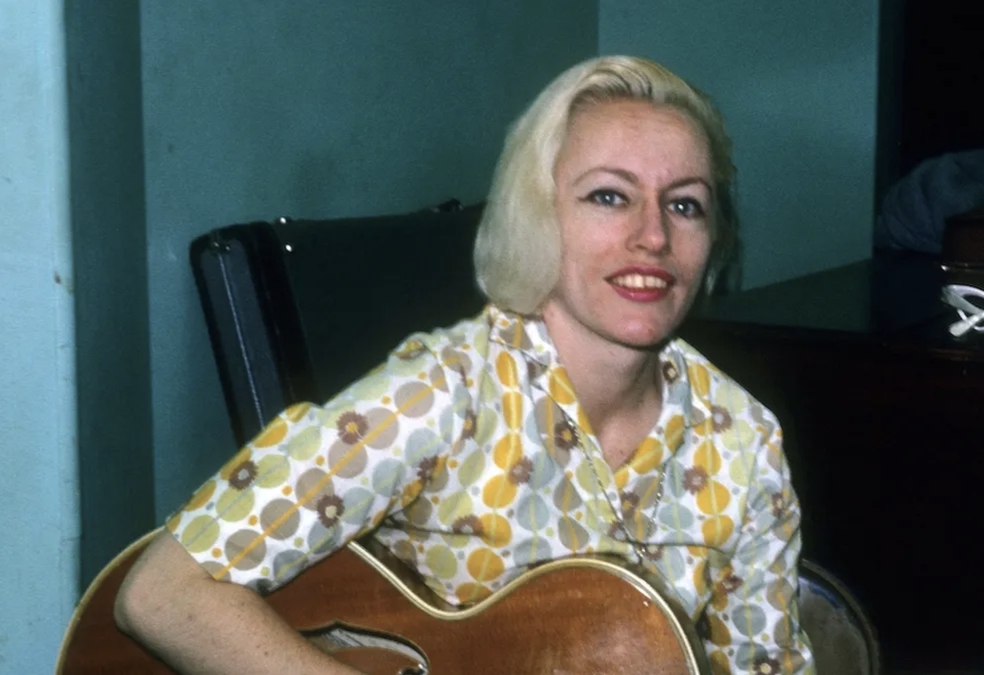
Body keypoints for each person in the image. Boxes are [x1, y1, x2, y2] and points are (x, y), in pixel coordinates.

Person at [115, 54, 816, 675]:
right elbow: (162, 593)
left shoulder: (744, 443)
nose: (653, 236)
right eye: (609, 196)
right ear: (538, 215)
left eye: (686, 205)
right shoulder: (443, 393)